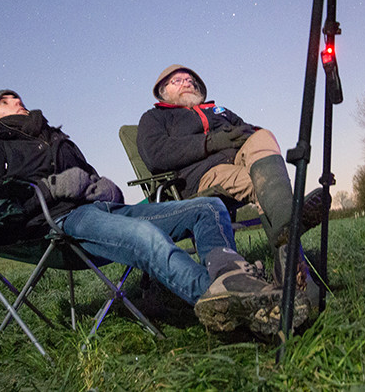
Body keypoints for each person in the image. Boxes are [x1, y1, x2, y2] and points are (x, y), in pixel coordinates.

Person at [0, 89, 306, 337]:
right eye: (4, 101)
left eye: (16, 97)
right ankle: (222, 297)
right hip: (58, 223)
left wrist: (100, 186)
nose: (16, 100)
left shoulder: (54, 137)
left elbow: (85, 176)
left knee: (207, 206)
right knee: (145, 237)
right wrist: (49, 190)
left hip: (100, 210)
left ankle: (233, 275)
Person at [136, 64, 329, 292]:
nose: (186, 83)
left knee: (263, 136)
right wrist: (209, 143)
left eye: (190, 80)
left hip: (241, 159)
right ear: (163, 91)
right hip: (200, 175)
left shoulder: (219, 110)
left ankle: (287, 224)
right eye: (177, 81)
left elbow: (246, 129)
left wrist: (249, 133)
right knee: (261, 184)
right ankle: (299, 274)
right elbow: (156, 154)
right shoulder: (155, 118)